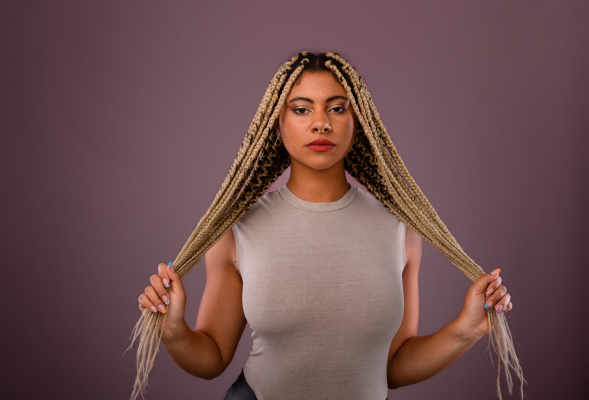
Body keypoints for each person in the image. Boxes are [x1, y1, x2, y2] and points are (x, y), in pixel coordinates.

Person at [130, 52, 523, 400]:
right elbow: (212, 357)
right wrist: (174, 330)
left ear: (359, 121)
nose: (320, 123)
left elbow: (394, 368)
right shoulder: (236, 230)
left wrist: (467, 329)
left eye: (337, 108)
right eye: (302, 109)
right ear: (276, 122)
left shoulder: (401, 230)